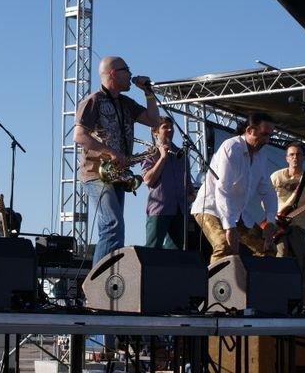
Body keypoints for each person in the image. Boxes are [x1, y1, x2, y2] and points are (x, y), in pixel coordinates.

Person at [74, 56, 160, 266]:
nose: (130, 74)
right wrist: (111, 152)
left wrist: (148, 93)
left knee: (114, 228)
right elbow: (79, 136)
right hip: (97, 173)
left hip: (117, 174)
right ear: (113, 73)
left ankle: (108, 277)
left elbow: (153, 120)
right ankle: (98, 280)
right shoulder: (93, 101)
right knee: (112, 225)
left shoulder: (126, 103)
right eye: (126, 70)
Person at [190, 112, 278, 263]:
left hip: (236, 213)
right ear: (250, 130)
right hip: (210, 208)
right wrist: (230, 227)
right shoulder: (231, 147)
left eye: (270, 136)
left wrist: (270, 221)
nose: (267, 140)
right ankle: (214, 279)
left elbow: (267, 191)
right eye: (264, 134)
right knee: (224, 246)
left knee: (268, 248)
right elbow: (222, 189)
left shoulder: (261, 154)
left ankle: (253, 278)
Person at [270, 142, 305, 294]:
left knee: (302, 262)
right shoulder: (276, 177)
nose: (295, 157)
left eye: (299, 154)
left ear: (304, 158)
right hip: (278, 226)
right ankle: (277, 292)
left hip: (299, 227)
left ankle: (302, 295)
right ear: (287, 158)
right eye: (292, 154)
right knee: (280, 257)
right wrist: (271, 214)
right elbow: (265, 198)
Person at [141, 116, 194, 250]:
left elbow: (189, 185)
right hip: (159, 209)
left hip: (180, 210)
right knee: (153, 250)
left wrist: (191, 196)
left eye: (171, 127)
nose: (170, 130)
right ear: (155, 131)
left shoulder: (182, 155)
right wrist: (162, 158)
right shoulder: (150, 153)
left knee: (176, 252)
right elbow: (148, 180)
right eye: (165, 127)